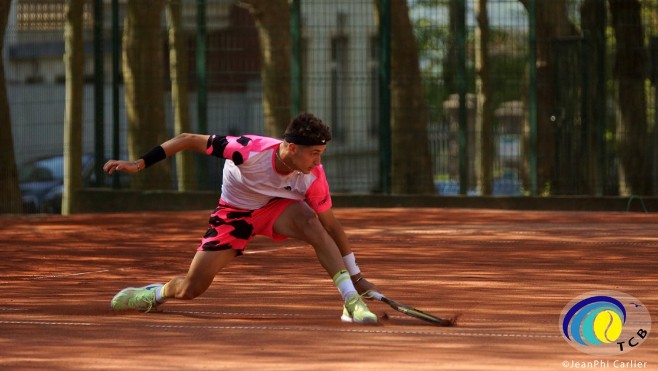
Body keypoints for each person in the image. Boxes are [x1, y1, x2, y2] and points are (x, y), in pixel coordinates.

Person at [103, 112, 379, 324]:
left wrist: (357, 277)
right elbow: (187, 139)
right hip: (233, 214)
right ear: (292, 148)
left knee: (312, 223)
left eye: (321, 154)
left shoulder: (313, 176)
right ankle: (153, 294)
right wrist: (139, 164)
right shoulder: (248, 150)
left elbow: (332, 226)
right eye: (314, 154)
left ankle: (350, 300)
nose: (318, 162)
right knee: (191, 287)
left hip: (275, 209)